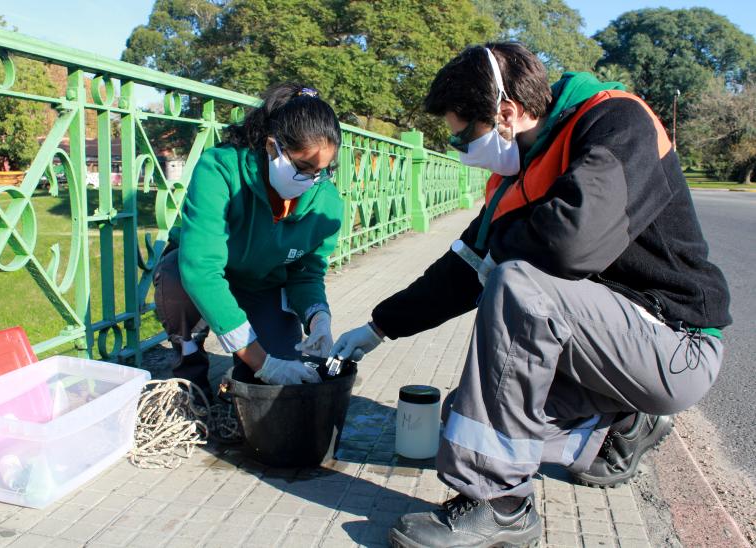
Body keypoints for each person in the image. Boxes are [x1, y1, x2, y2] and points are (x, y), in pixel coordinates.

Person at [331, 43, 731, 548]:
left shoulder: (616, 121)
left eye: (462, 137)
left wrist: (500, 249)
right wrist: (376, 327)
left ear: (505, 114)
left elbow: (572, 243)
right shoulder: (519, 169)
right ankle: (617, 427)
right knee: (467, 418)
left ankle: (501, 506)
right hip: (612, 343)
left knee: (518, 284)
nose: (460, 150)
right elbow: (462, 270)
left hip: (674, 343)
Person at [154, 83, 344, 395]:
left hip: (262, 286)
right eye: (303, 167)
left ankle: (239, 372)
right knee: (177, 274)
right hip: (206, 277)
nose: (311, 181)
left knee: (278, 374)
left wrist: (317, 315)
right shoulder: (219, 169)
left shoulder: (327, 202)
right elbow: (200, 269)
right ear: (272, 147)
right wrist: (263, 363)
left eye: (321, 171)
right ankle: (190, 375)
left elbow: (306, 271)